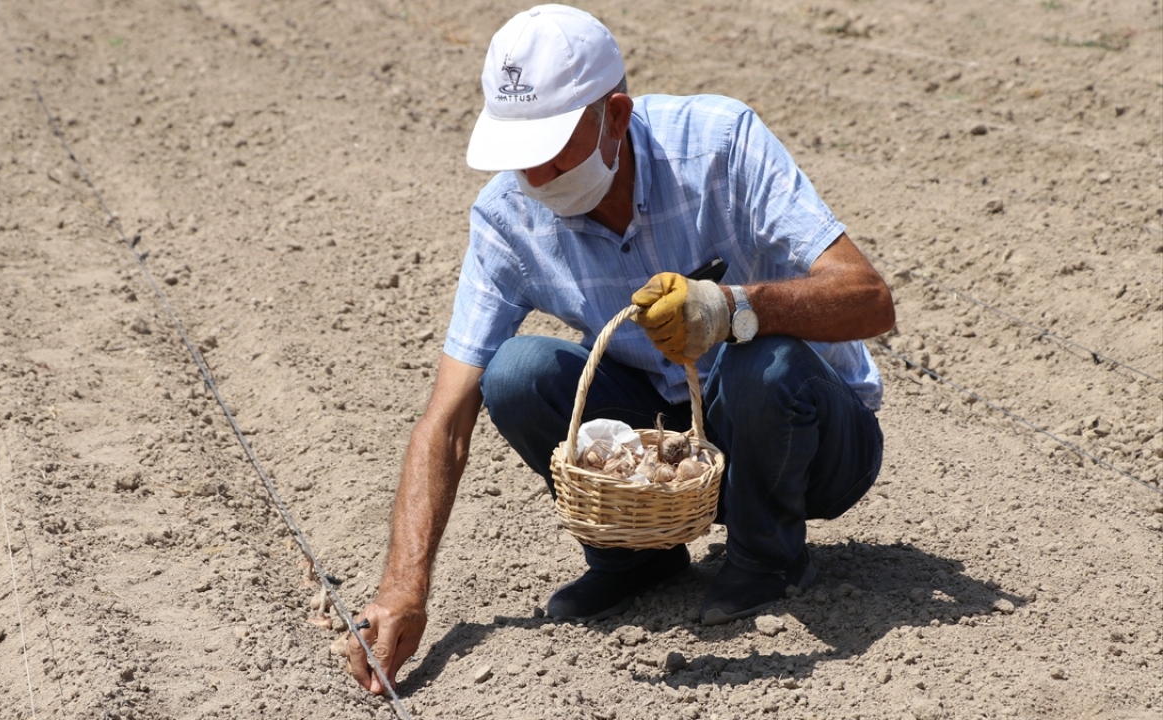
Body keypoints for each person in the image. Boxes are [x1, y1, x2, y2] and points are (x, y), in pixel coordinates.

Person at [348, 3, 894, 694]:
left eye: (554, 147)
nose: (537, 176)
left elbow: (871, 298)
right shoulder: (506, 218)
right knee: (515, 372)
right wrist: (403, 589)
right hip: (667, 462)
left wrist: (733, 310)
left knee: (764, 355)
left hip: (814, 449)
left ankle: (767, 557)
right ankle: (635, 558)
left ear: (616, 116)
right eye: (520, 153)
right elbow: (446, 420)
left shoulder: (718, 142)